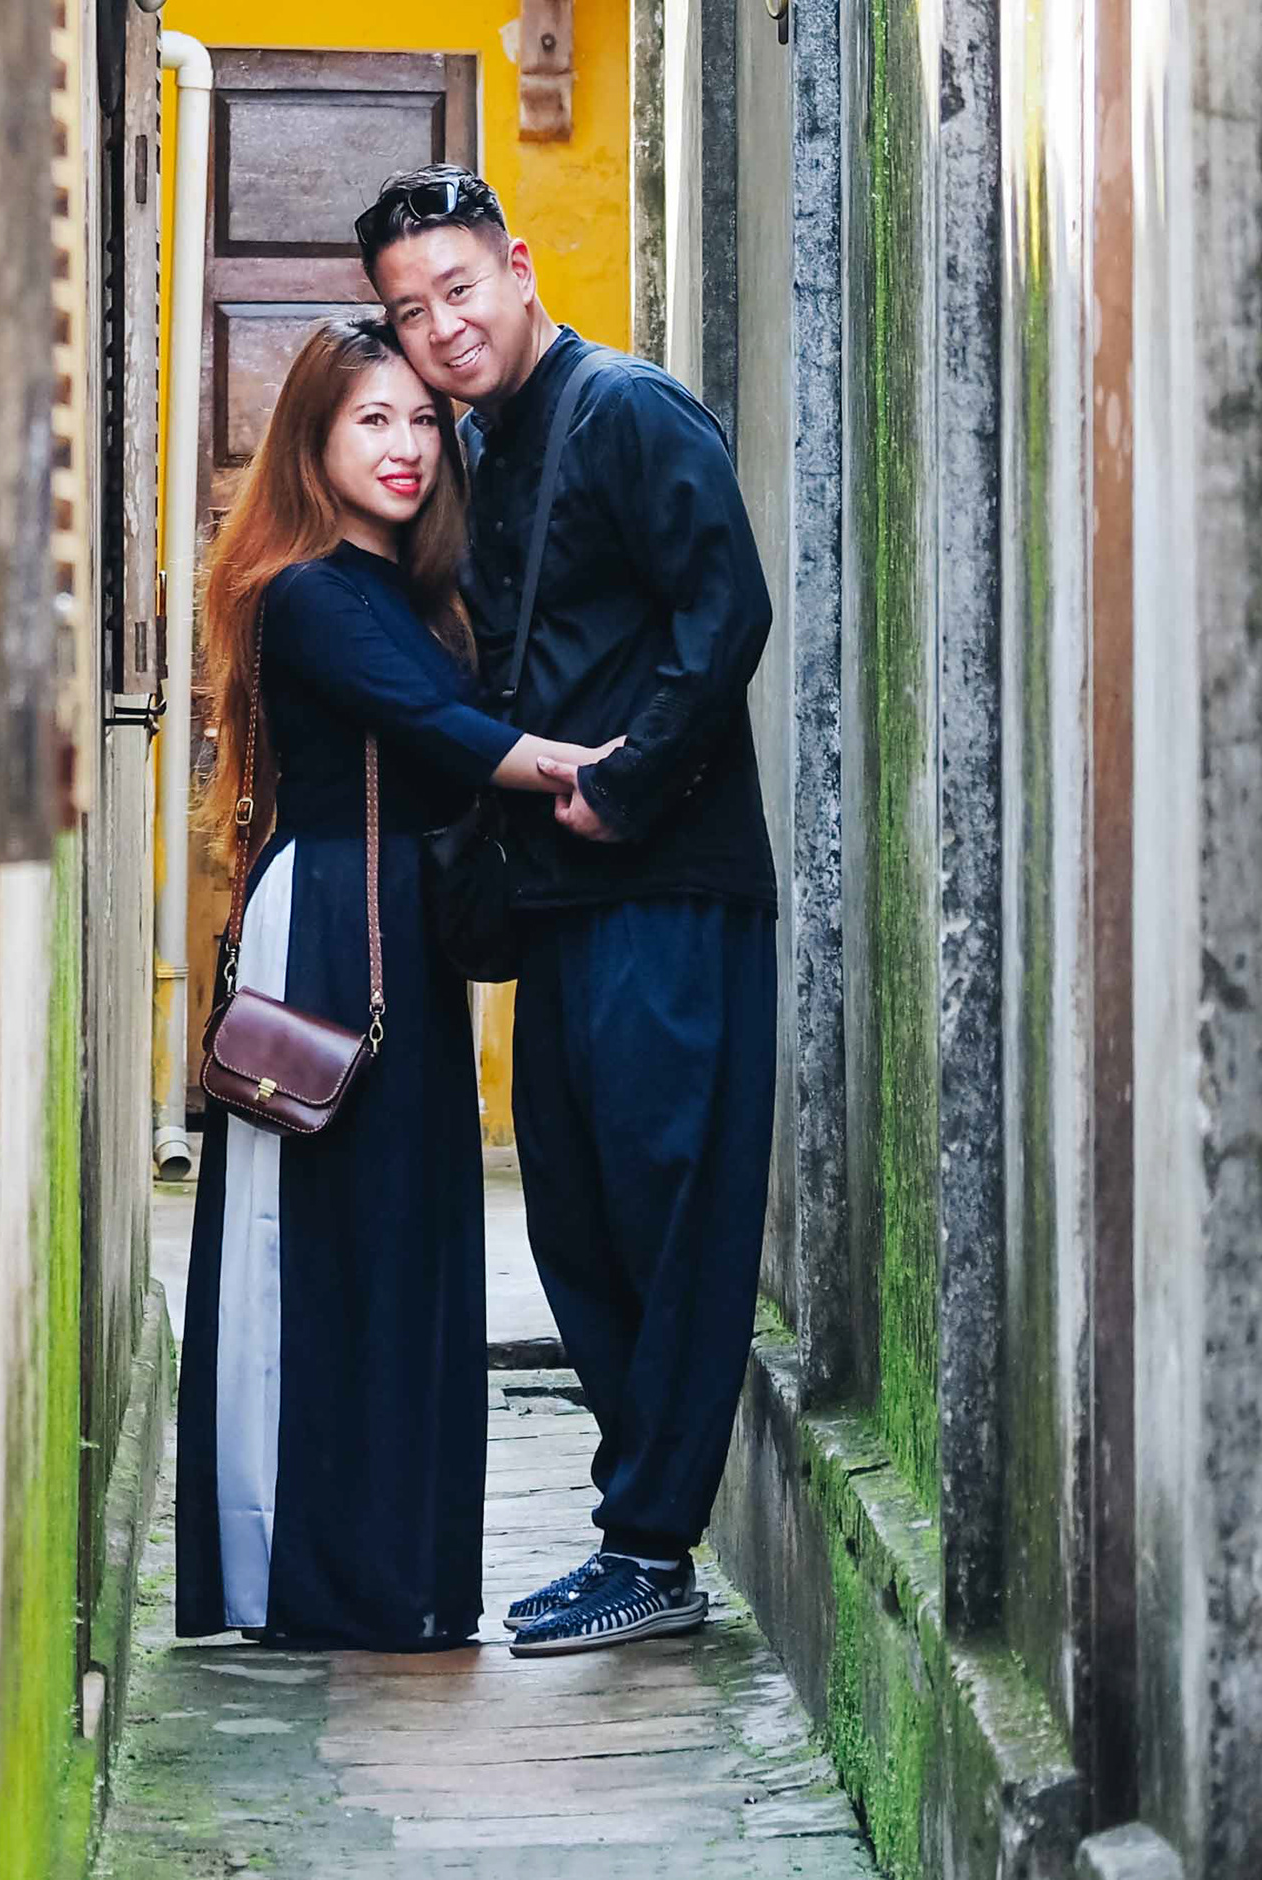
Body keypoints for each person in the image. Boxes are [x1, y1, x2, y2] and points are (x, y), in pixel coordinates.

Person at [354, 163, 779, 1658]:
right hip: (559, 903)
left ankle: (651, 1548)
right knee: (578, 1225)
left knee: (672, 1214)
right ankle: (634, 1538)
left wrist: (630, 780)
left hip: (667, 888)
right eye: (410, 311)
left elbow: (728, 611)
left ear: (519, 267)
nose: (443, 327)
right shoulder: (478, 447)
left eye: (459, 288)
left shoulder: (628, 411)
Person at [171, 315, 613, 1651]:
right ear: (312, 439)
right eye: (373, 419)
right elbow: (448, 732)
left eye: (424, 420)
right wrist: (607, 769)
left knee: (412, 1246)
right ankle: (302, 1575)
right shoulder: (307, 591)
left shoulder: (423, 593)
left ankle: (406, 1577)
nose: (408, 444)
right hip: (328, 930)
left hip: (399, 932)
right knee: (317, 1244)